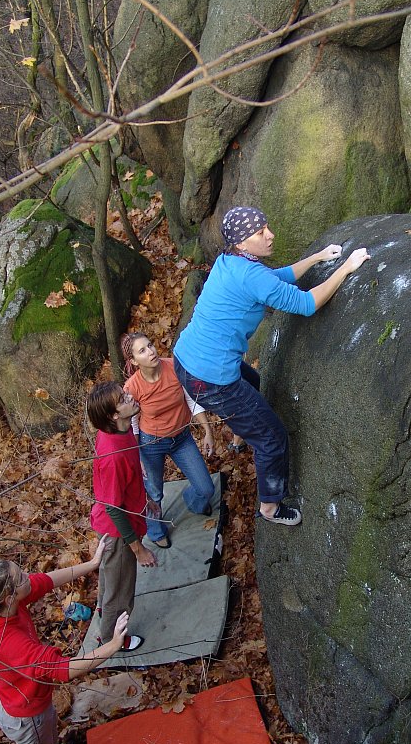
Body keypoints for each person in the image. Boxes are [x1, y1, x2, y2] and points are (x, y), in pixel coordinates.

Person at [174, 206, 370, 526]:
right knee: (272, 437)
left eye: (267, 226)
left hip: (190, 362)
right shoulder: (248, 272)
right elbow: (306, 304)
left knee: (255, 385)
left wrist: (317, 258)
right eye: (259, 233)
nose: (270, 235)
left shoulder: (232, 263)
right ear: (241, 244)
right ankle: (270, 507)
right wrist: (346, 268)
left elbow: (272, 280)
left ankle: (240, 433)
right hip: (210, 378)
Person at [0, 538, 129, 744]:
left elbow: (44, 581)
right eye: (21, 577)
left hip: (14, 693)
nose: (27, 577)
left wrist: (92, 563)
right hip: (25, 712)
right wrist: (112, 647)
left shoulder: (2, 606)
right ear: (9, 597)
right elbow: (61, 669)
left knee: (47, 732)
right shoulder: (11, 642)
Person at [121, 332, 215, 547]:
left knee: (206, 489)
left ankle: (192, 502)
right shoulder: (132, 387)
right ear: (134, 362)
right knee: (154, 491)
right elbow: (132, 424)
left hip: (181, 437)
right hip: (151, 443)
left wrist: (207, 430)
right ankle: (155, 531)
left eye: (150, 345)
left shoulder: (173, 366)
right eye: (142, 351)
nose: (151, 351)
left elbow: (191, 399)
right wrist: (139, 456)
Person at [87, 381, 158, 652]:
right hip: (117, 531)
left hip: (122, 520)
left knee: (110, 582)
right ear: (114, 414)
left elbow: (128, 483)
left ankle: (106, 621)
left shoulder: (123, 429)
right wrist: (138, 550)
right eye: (123, 398)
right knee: (120, 589)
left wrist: (146, 499)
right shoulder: (113, 454)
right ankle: (111, 641)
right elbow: (113, 508)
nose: (130, 396)